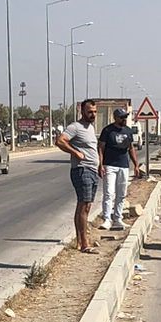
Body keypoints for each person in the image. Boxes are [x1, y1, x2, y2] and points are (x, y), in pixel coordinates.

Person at [55, 99, 102, 253]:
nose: (93, 114)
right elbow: (60, 141)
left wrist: (100, 165)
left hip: (92, 170)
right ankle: (84, 243)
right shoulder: (75, 127)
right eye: (90, 112)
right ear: (82, 112)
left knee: (85, 206)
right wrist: (75, 152)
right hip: (82, 170)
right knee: (84, 206)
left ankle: (80, 240)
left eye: (95, 112)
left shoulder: (90, 128)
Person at [97, 105, 143, 232]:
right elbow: (100, 147)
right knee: (109, 193)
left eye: (126, 117)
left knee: (121, 194)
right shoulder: (107, 131)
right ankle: (107, 219)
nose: (124, 119)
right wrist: (100, 164)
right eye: (122, 117)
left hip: (124, 166)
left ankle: (118, 218)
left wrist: (136, 165)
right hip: (109, 165)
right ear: (116, 118)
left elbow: (131, 148)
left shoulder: (128, 131)